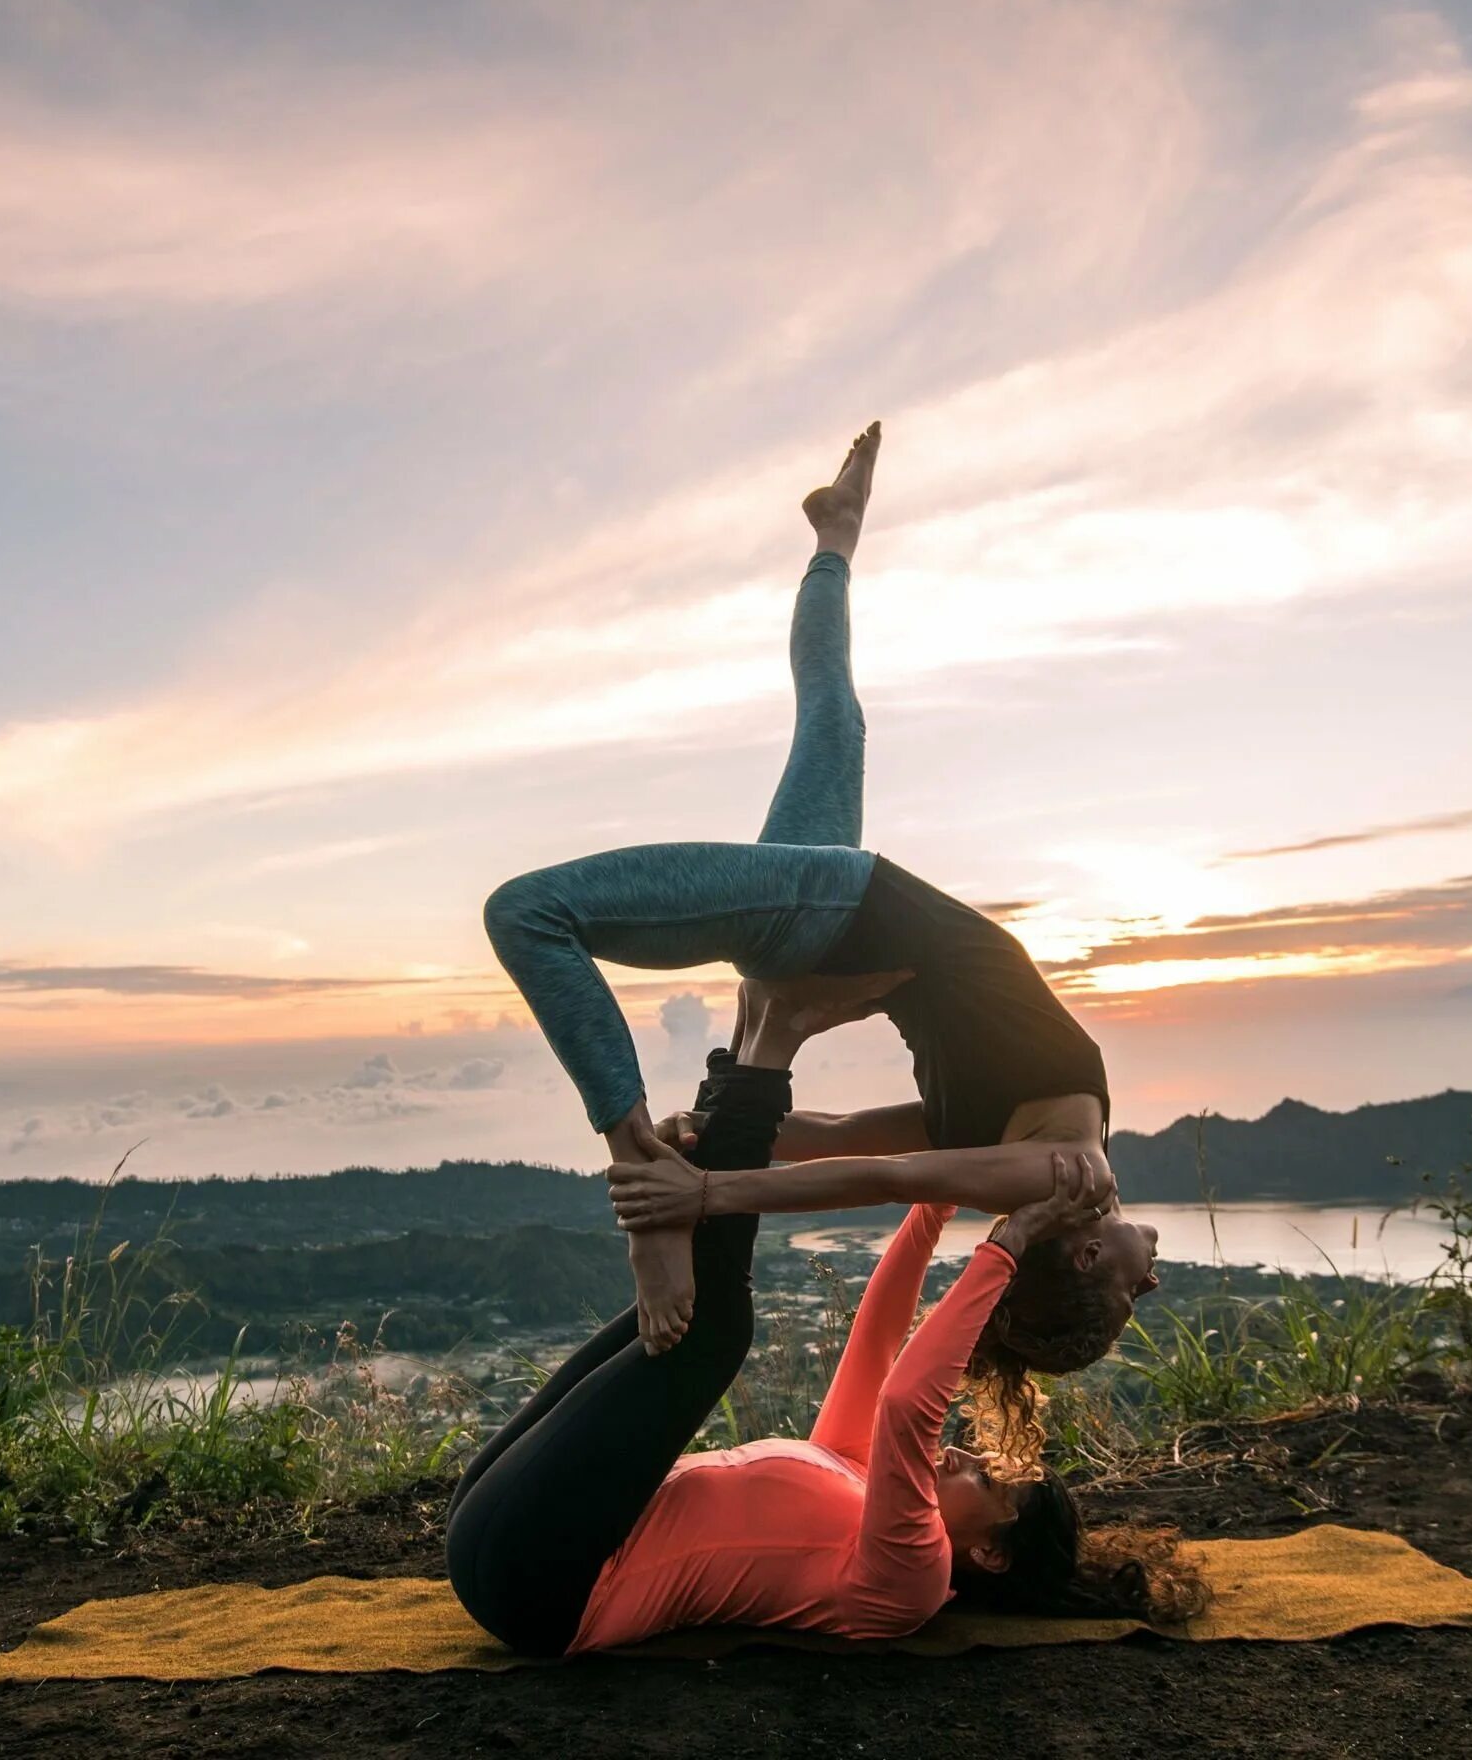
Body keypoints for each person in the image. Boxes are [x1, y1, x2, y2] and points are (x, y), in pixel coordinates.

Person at [482, 423, 1160, 1460]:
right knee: (834, 720)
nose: (1148, 1276)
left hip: (830, 910)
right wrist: (717, 1132)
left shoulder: (1056, 1172)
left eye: (1127, 1294)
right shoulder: (1038, 1142)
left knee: (527, 914)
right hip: (832, 914)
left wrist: (696, 1191)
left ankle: (643, 1205)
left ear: (1076, 1261)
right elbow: (841, 1137)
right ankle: (833, 537)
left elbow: (875, 1181)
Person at [444, 997, 1204, 1658]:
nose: (966, 1454)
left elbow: (911, 1406)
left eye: (987, 1479)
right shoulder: (856, 1479)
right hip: (494, 1525)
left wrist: (1006, 1247)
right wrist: (939, 1201)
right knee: (685, 1320)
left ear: (992, 1556)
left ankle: (736, 1108)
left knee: (712, 1331)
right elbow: (876, 1348)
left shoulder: (911, 1579)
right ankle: (730, 1118)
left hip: (545, 1586)